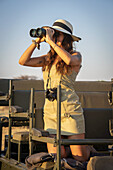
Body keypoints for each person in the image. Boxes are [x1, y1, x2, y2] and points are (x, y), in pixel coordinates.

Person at [19, 19, 91, 162]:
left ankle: (88, 148)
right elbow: (23, 61)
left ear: (67, 38)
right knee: (58, 156)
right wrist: (37, 41)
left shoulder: (76, 56)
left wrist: (51, 41)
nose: (55, 36)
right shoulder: (48, 59)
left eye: (58, 34)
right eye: (54, 33)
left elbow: (69, 61)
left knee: (80, 157)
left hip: (70, 110)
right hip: (51, 112)